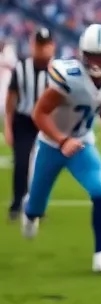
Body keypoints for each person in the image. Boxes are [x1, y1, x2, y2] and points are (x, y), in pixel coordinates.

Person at [23, 24, 101, 273]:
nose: (97, 61)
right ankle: (30, 212)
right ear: (82, 52)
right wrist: (61, 140)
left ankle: (100, 254)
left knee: (100, 192)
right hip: (51, 145)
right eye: (92, 54)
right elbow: (39, 113)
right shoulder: (68, 76)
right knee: (36, 206)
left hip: (82, 143)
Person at [5, 28, 54, 220]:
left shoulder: (55, 70)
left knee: (43, 166)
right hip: (24, 120)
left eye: (46, 46)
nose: (42, 50)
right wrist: (8, 127)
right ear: (33, 46)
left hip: (45, 121)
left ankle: (37, 207)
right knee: (21, 162)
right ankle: (17, 204)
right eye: (39, 45)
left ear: (52, 46)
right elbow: (11, 99)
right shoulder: (21, 68)